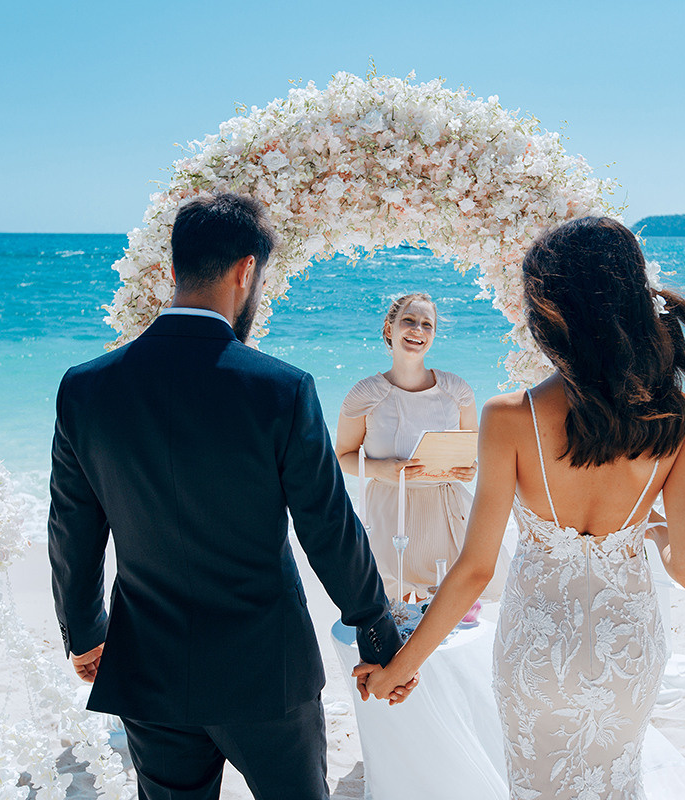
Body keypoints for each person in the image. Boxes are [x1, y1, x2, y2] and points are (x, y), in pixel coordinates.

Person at [357, 216, 685, 798]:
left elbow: (474, 570)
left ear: (549, 311)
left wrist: (400, 668)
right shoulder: (677, 419)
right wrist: (651, 531)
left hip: (537, 656)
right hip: (627, 652)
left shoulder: (508, 417)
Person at [48, 193, 414, 800]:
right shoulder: (281, 390)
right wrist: (373, 625)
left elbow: (72, 527)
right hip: (266, 669)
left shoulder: (85, 388)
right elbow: (326, 525)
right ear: (247, 271)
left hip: (150, 666)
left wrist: (85, 631)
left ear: (173, 269)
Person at [334, 293, 507, 602]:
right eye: (409, 320)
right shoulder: (366, 393)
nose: (418, 330)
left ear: (434, 335)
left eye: (427, 324)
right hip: (389, 512)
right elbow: (342, 457)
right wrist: (383, 469)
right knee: (392, 606)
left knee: (448, 608)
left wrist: (470, 470)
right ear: (389, 329)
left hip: (445, 513)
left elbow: (472, 451)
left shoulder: (457, 390)